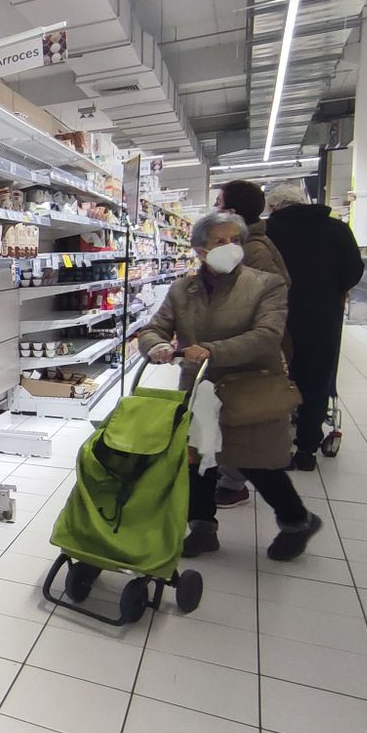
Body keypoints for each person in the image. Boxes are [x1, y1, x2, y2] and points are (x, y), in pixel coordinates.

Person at [136, 211, 323, 561]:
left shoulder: (266, 284)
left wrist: (210, 350)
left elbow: (267, 336)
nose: (230, 247)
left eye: (235, 240)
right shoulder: (182, 290)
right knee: (198, 460)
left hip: (249, 389)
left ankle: (298, 521)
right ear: (199, 250)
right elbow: (154, 329)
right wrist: (156, 345)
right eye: (219, 241)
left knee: (255, 462)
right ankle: (203, 528)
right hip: (199, 389)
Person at [264, 180, 365, 471]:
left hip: (278, 319)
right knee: (317, 381)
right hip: (323, 318)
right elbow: (354, 270)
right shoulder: (336, 229)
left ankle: (277, 448)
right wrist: (334, 290)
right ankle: (307, 449)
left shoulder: (269, 232)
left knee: (276, 380)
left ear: (273, 207)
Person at [211, 180, 290, 507]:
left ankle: (290, 514)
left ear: (232, 210)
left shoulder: (253, 248)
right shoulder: (241, 243)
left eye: (220, 204)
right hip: (234, 348)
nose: (216, 209)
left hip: (248, 351)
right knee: (225, 420)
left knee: (241, 423)